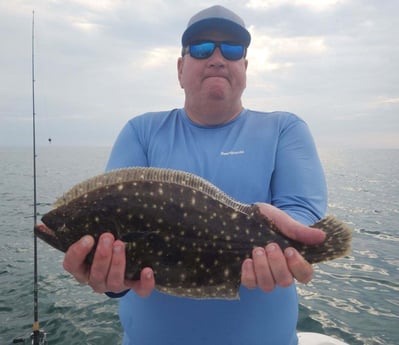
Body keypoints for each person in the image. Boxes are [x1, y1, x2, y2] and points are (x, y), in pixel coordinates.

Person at [63, 5, 327, 345]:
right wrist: (111, 279)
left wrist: (282, 244)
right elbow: (116, 234)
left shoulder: (284, 129)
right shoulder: (141, 131)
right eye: (202, 47)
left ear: (244, 68)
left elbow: (302, 212)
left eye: (232, 49)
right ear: (180, 68)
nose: (217, 58)